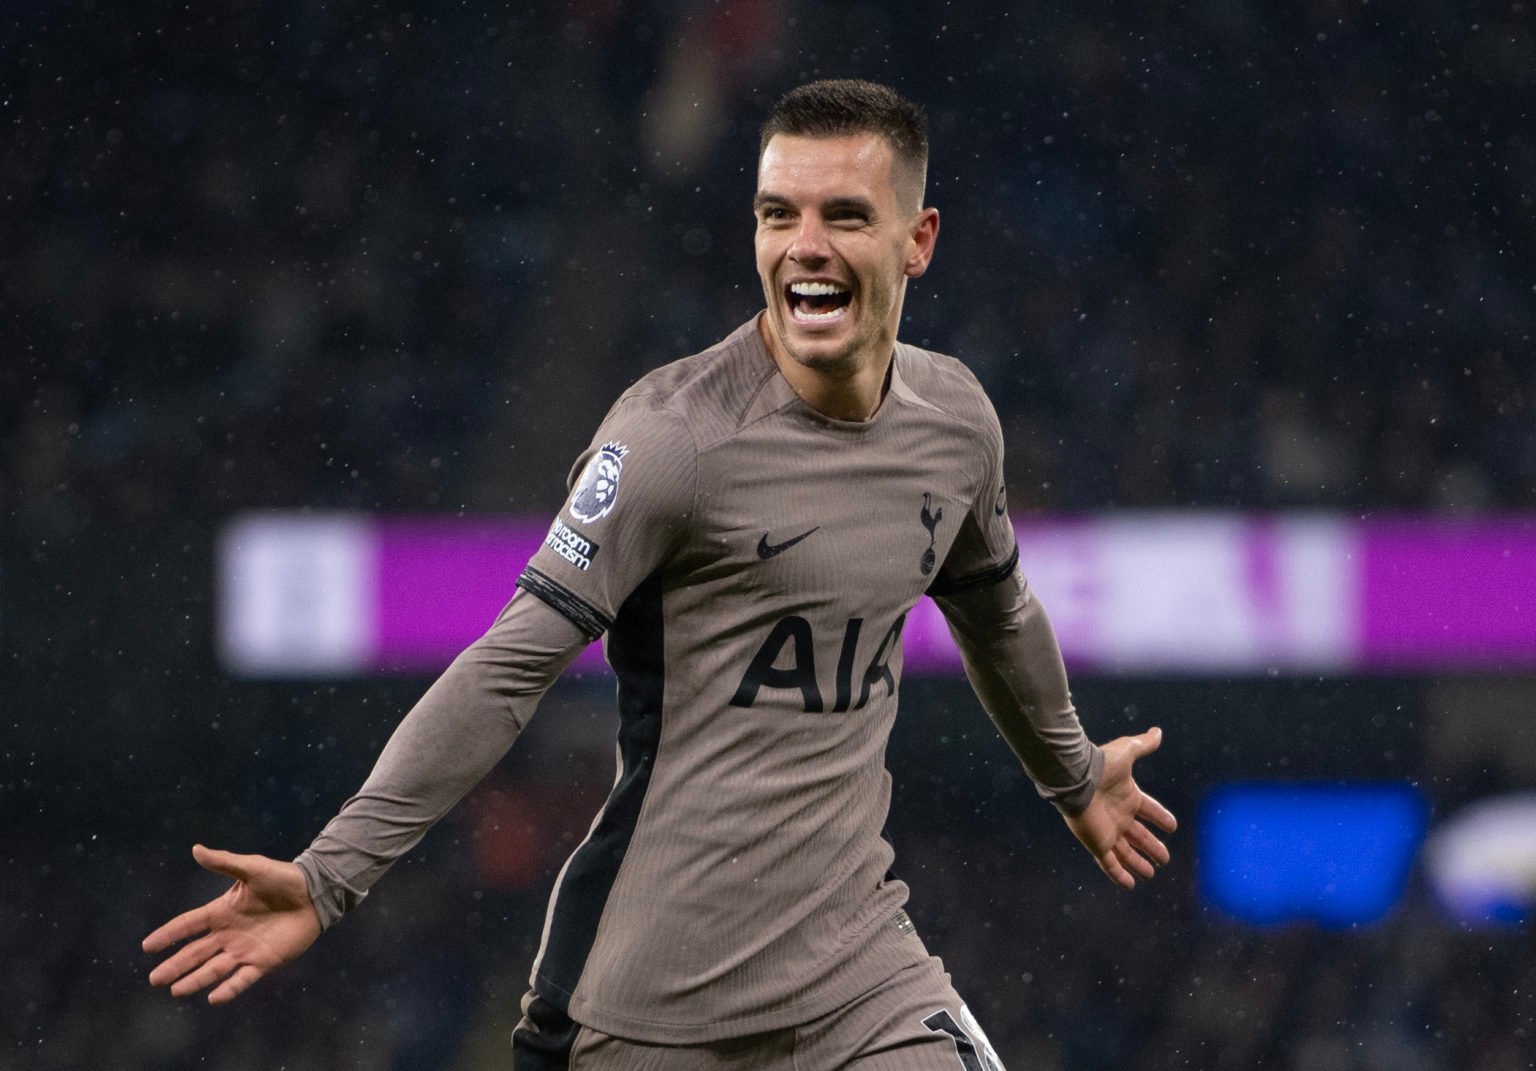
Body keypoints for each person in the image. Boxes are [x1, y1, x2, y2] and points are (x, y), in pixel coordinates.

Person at [144, 79, 1176, 1069]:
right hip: (648, 1002)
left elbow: (998, 611)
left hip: (859, 975)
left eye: (845, 216)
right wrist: (330, 876)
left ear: (919, 240)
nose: (804, 247)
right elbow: (510, 666)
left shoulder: (954, 426)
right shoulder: (675, 440)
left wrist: (1072, 773)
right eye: (779, 214)